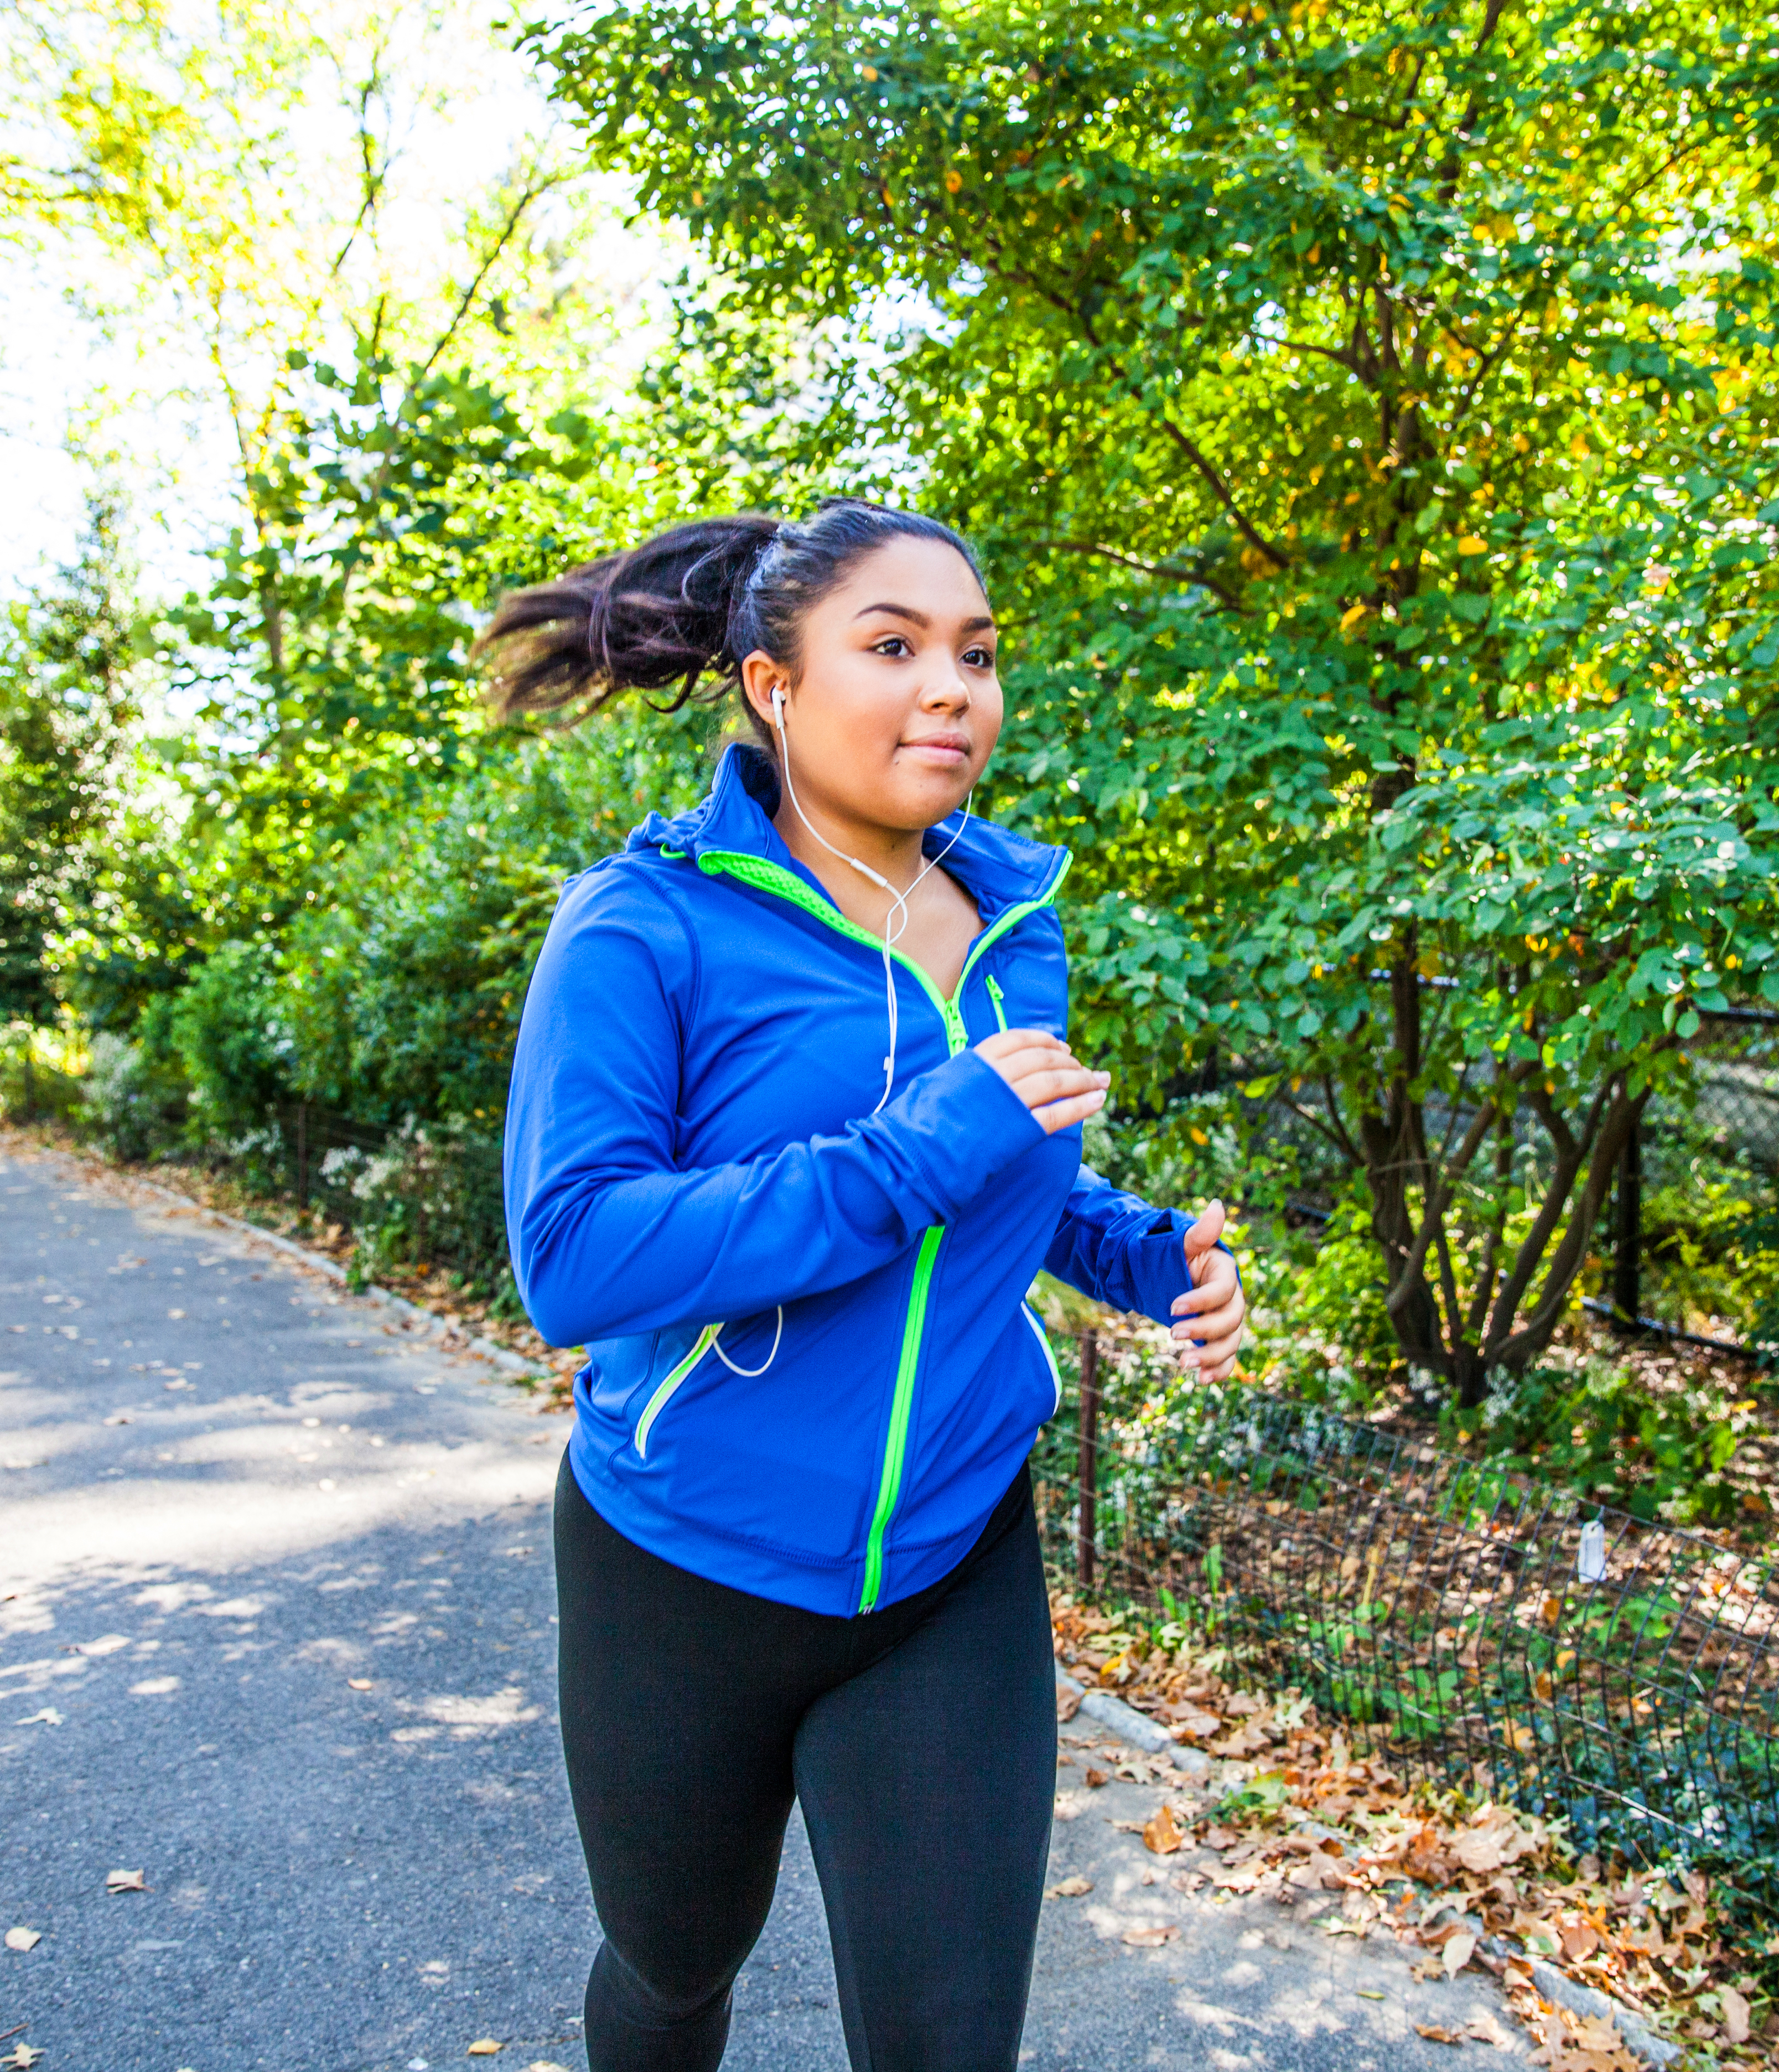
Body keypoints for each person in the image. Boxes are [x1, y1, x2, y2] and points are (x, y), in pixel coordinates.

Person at [492, 500, 1249, 2072]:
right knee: (673, 1973)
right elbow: (575, 1255)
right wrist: (915, 1149)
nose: (951, 690)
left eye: (974, 655)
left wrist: (1138, 1251)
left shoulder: (1009, 923)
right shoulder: (646, 924)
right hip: (686, 1569)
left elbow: (1013, 1177)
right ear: (774, 687)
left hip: (951, 1565)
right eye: (892, 648)